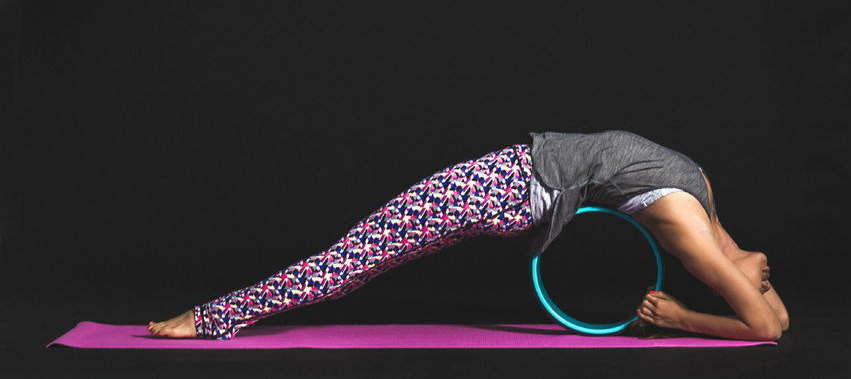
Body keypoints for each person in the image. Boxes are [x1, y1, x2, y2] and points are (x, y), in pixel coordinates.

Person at [148, 130, 789, 341]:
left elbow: (765, 325)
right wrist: (724, 304)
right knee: (358, 260)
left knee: (351, 259)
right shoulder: (701, 207)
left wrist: (682, 317)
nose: (758, 282)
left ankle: (214, 318)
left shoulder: (698, 210)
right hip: (503, 183)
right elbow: (772, 323)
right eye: (758, 278)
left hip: (503, 185)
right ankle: (223, 315)